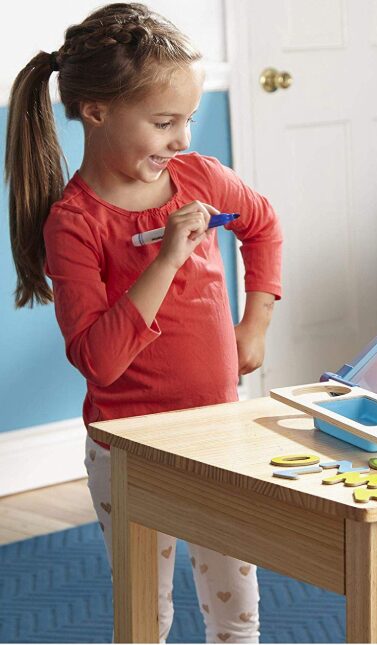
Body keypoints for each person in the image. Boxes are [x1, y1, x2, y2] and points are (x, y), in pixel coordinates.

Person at [5, 3, 282, 642]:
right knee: (142, 613)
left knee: (238, 613)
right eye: (164, 122)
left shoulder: (199, 177)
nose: (182, 138)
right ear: (97, 112)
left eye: (186, 118)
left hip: (214, 432)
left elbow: (263, 223)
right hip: (126, 451)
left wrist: (256, 323)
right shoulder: (73, 223)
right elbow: (98, 361)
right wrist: (164, 260)